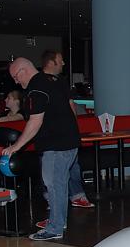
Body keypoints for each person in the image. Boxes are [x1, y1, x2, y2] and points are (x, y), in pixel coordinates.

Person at [4, 57, 80, 242]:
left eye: (15, 77)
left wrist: (16, 146)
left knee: (54, 185)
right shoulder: (53, 80)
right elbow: (71, 107)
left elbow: (35, 121)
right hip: (69, 141)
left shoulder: (36, 88)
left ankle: (54, 228)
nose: (16, 82)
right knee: (59, 184)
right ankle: (58, 221)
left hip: (56, 145)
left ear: (23, 70)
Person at [40, 49, 94, 214]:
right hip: (49, 137)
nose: (63, 63)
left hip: (65, 136)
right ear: (51, 62)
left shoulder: (61, 81)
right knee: (52, 174)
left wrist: (73, 129)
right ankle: (54, 202)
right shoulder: (39, 82)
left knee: (72, 168)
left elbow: (71, 106)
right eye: (60, 60)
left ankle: (74, 197)